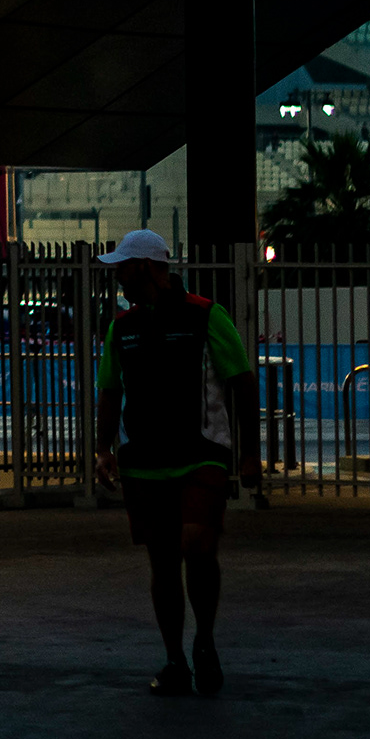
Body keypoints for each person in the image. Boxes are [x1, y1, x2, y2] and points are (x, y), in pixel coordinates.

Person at [87, 229, 257, 698]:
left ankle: (203, 639)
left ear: (145, 267)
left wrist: (248, 454)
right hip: (143, 459)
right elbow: (110, 390)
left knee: (197, 544)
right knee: (162, 561)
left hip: (201, 451)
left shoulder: (206, 316)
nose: (117, 275)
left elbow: (242, 381)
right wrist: (103, 449)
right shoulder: (123, 327)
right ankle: (176, 658)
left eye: (122, 266)